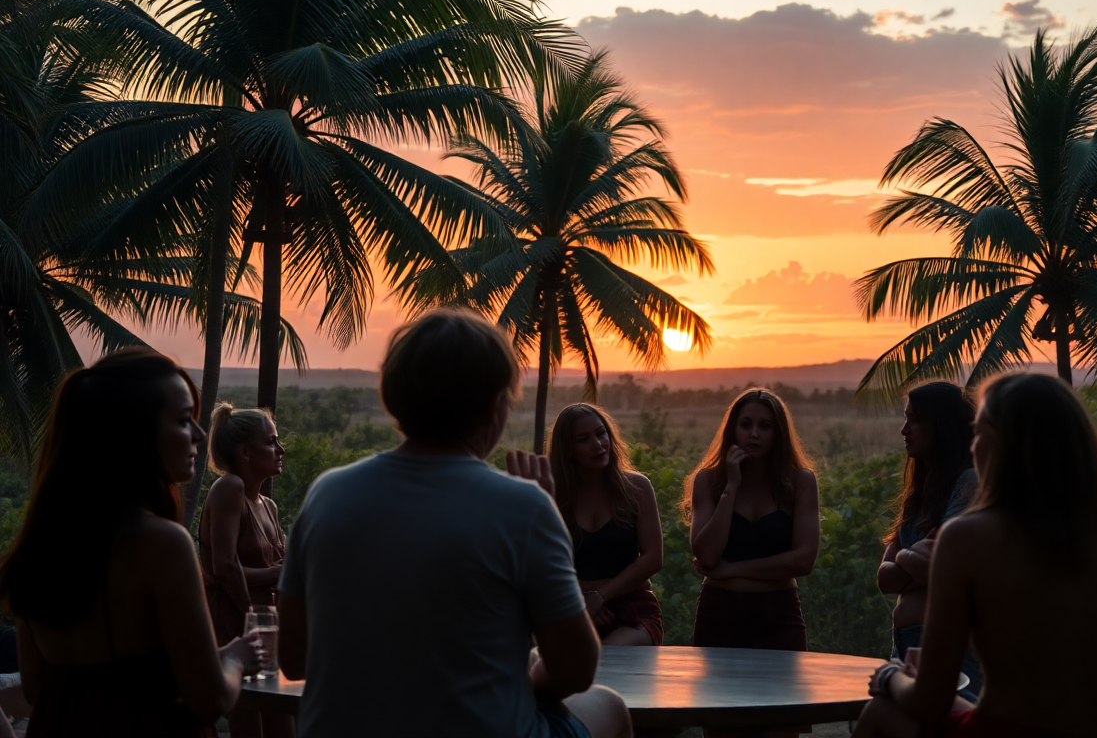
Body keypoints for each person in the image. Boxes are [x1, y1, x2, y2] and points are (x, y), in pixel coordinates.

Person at [276, 309, 630, 738]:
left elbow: (293, 659)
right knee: (608, 707)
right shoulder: (524, 507)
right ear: (494, 406)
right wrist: (529, 676)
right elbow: (576, 670)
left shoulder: (326, 494)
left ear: (395, 398)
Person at [854, 373, 1097, 738]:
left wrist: (890, 677)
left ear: (1002, 446)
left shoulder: (969, 536)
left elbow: (929, 700)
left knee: (880, 710)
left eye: (979, 433)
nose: (972, 447)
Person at [0, 348, 261, 737]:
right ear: (135, 434)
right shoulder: (161, 543)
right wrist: (237, 659)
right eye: (182, 420)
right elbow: (209, 700)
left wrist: (210, 660)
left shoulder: (42, 544)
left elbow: (40, 688)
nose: (200, 434)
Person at [683, 389, 820, 738]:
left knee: (780, 726)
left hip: (778, 615)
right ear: (733, 429)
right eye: (746, 425)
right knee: (720, 725)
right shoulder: (709, 481)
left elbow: (804, 559)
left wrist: (734, 569)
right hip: (720, 615)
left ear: (779, 433)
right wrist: (731, 487)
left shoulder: (800, 482)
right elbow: (707, 554)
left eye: (765, 426)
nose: (754, 434)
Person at [877, 382, 982, 699]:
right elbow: (884, 577)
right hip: (906, 642)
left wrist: (906, 559)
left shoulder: (968, 482)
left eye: (914, 420)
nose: (904, 430)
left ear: (941, 426)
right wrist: (917, 561)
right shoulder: (921, 492)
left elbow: (942, 567)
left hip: (947, 643)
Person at [199, 404, 291, 738]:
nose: (280, 450)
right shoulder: (229, 488)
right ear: (246, 452)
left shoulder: (268, 505)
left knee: (282, 720)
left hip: (264, 625)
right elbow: (224, 567)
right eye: (272, 442)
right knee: (249, 723)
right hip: (235, 621)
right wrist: (256, 613)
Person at [547, 404, 664, 646]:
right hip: (572, 608)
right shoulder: (553, 496)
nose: (598, 444)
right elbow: (541, 565)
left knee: (608, 655)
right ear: (568, 450)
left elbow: (653, 558)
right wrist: (581, 600)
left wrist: (600, 596)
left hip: (634, 609)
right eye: (583, 439)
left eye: (601, 434)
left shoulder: (637, 488)